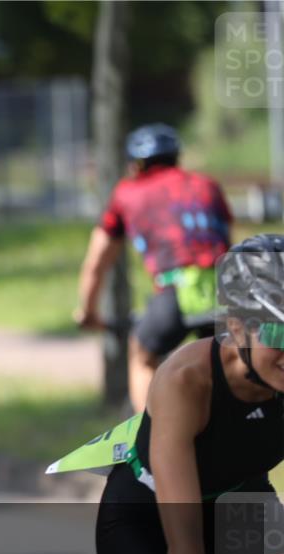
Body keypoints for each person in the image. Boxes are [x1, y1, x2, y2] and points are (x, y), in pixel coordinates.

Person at [95, 234, 284, 554]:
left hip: (241, 503)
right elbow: (181, 533)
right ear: (236, 327)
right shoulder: (186, 381)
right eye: (279, 331)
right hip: (146, 519)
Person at [75, 123, 234, 412]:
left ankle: (148, 437)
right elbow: (224, 239)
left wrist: (88, 312)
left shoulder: (127, 192)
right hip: (224, 288)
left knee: (142, 355)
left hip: (175, 290)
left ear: (135, 165)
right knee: (225, 367)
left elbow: (97, 261)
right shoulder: (206, 185)